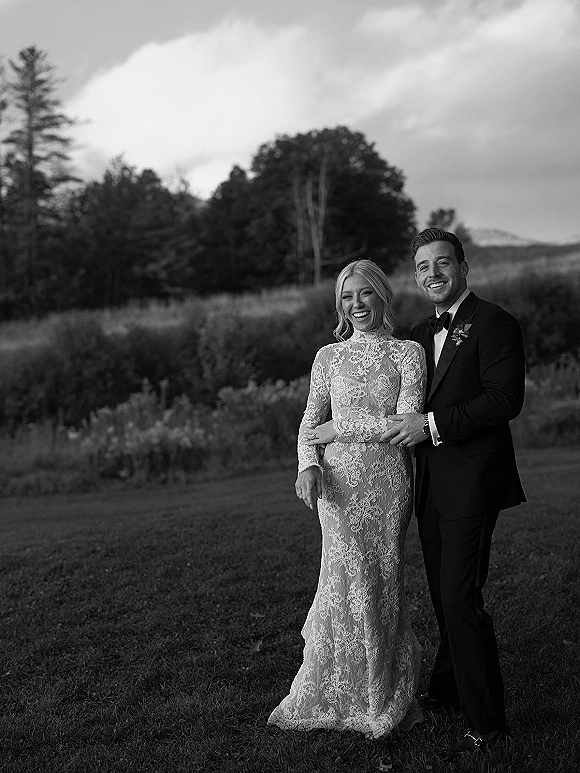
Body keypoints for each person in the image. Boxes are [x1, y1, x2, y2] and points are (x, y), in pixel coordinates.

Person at [267, 259, 427, 739]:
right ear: (340, 304)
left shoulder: (408, 353)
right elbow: (309, 421)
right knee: (341, 583)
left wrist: (343, 427)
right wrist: (308, 464)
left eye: (365, 294)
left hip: (386, 484)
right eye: (347, 296)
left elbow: (405, 425)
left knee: (379, 583)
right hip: (338, 486)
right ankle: (336, 693)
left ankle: (383, 693)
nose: (356, 305)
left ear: (382, 297)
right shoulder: (327, 359)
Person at [384, 227, 526, 760]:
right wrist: (335, 429)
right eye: (423, 267)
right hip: (430, 488)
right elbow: (393, 402)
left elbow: (504, 400)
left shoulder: (494, 323)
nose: (433, 274)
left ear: (463, 268)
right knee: (447, 597)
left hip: (474, 481)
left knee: (460, 599)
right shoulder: (418, 334)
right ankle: (447, 689)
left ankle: (488, 722)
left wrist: (434, 425)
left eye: (442, 263)